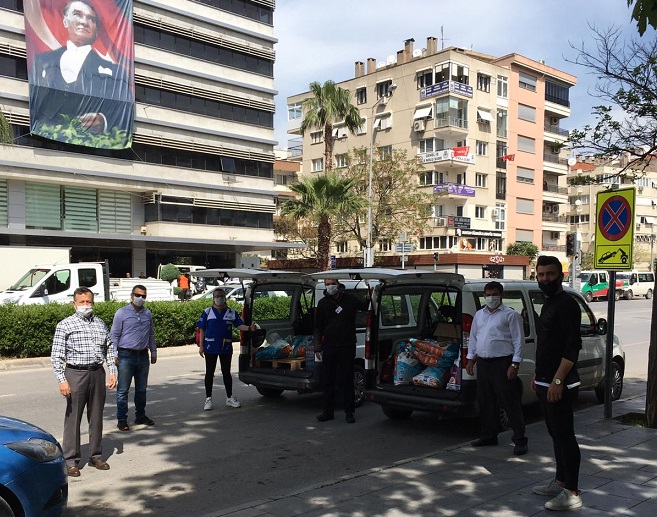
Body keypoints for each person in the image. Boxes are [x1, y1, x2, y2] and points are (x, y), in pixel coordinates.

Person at [29, 0, 133, 144]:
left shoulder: (115, 73)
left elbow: (125, 110)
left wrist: (103, 120)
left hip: (91, 148)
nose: (84, 22)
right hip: (44, 144)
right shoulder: (42, 62)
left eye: (91, 19)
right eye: (77, 14)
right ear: (65, 21)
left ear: (96, 30)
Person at [531, 255, 583, 511]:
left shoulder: (567, 305)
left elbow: (572, 347)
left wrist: (558, 380)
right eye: (541, 275)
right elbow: (547, 345)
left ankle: (572, 491)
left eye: (550, 274)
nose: (545, 279)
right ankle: (560, 481)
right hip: (545, 381)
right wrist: (538, 377)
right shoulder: (548, 304)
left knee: (565, 436)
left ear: (560, 275)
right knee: (555, 434)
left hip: (560, 383)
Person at [51, 286, 117, 477]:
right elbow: (56, 356)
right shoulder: (65, 325)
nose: (85, 305)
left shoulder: (100, 324)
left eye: (89, 302)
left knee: (96, 417)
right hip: (75, 373)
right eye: (82, 302)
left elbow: (109, 348)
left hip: (97, 373)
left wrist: (112, 371)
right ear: (74, 304)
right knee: (73, 418)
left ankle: (96, 456)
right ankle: (71, 460)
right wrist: (62, 380)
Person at [466, 281, 527, 456]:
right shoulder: (479, 315)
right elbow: (473, 338)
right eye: (488, 294)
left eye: (494, 294)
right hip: (483, 363)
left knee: (509, 402)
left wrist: (515, 364)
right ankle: (489, 435)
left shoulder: (510, 315)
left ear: (502, 295)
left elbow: (518, 341)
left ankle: (520, 440)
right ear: (484, 296)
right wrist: (470, 359)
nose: (491, 298)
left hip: (503, 363)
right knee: (485, 401)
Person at [314, 280, 369, 424]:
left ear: (338, 284)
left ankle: (349, 413)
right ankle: (328, 412)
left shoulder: (349, 299)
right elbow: (318, 326)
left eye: (332, 283)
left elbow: (365, 306)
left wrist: (370, 295)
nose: (330, 286)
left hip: (347, 345)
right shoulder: (323, 303)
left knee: (347, 380)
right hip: (329, 346)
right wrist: (318, 346)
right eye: (327, 284)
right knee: (328, 380)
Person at [197, 288, 255, 410]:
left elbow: (240, 325)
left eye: (221, 296)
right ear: (213, 298)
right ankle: (208, 399)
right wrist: (201, 346)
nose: (219, 298)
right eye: (217, 296)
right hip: (210, 347)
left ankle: (229, 397)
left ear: (225, 297)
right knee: (209, 373)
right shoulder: (207, 312)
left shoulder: (231, 313)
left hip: (225, 347)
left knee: (226, 373)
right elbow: (202, 329)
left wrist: (249, 328)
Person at [110, 285, 157, 432]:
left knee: (141, 389)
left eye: (143, 296)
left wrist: (153, 352)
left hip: (143, 355)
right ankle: (122, 419)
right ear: (132, 296)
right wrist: (114, 354)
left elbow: (151, 334)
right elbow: (114, 335)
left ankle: (140, 415)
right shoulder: (121, 313)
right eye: (138, 295)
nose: (140, 298)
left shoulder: (147, 313)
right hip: (125, 355)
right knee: (123, 390)